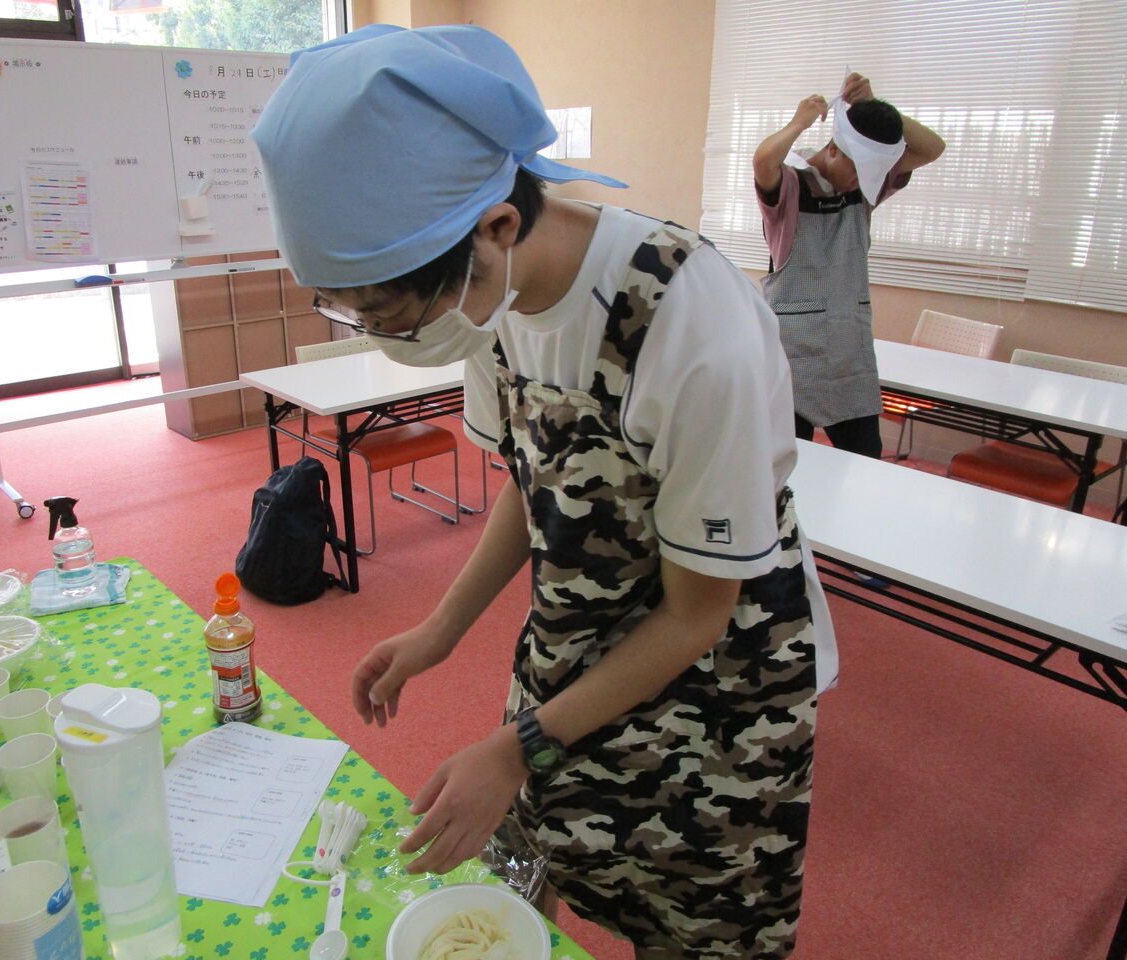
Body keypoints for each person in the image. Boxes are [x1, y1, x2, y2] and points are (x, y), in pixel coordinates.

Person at [252, 24, 837, 960]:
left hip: (717, 691)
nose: (378, 335)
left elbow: (697, 616)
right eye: (351, 309)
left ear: (497, 228)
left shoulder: (686, 321)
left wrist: (520, 745)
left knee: (698, 926)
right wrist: (437, 633)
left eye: (387, 312)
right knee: (528, 883)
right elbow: (535, 488)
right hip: (572, 658)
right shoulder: (490, 300)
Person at [753, 73, 945, 459]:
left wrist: (873, 105)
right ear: (835, 150)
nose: (861, 183)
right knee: (784, 467)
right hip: (792, 355)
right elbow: (762, 161)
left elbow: (932, 148)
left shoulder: (864, 189)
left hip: (848, 352)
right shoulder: (790, 186)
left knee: (864, 463)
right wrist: (798, 123)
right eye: (856, 171)